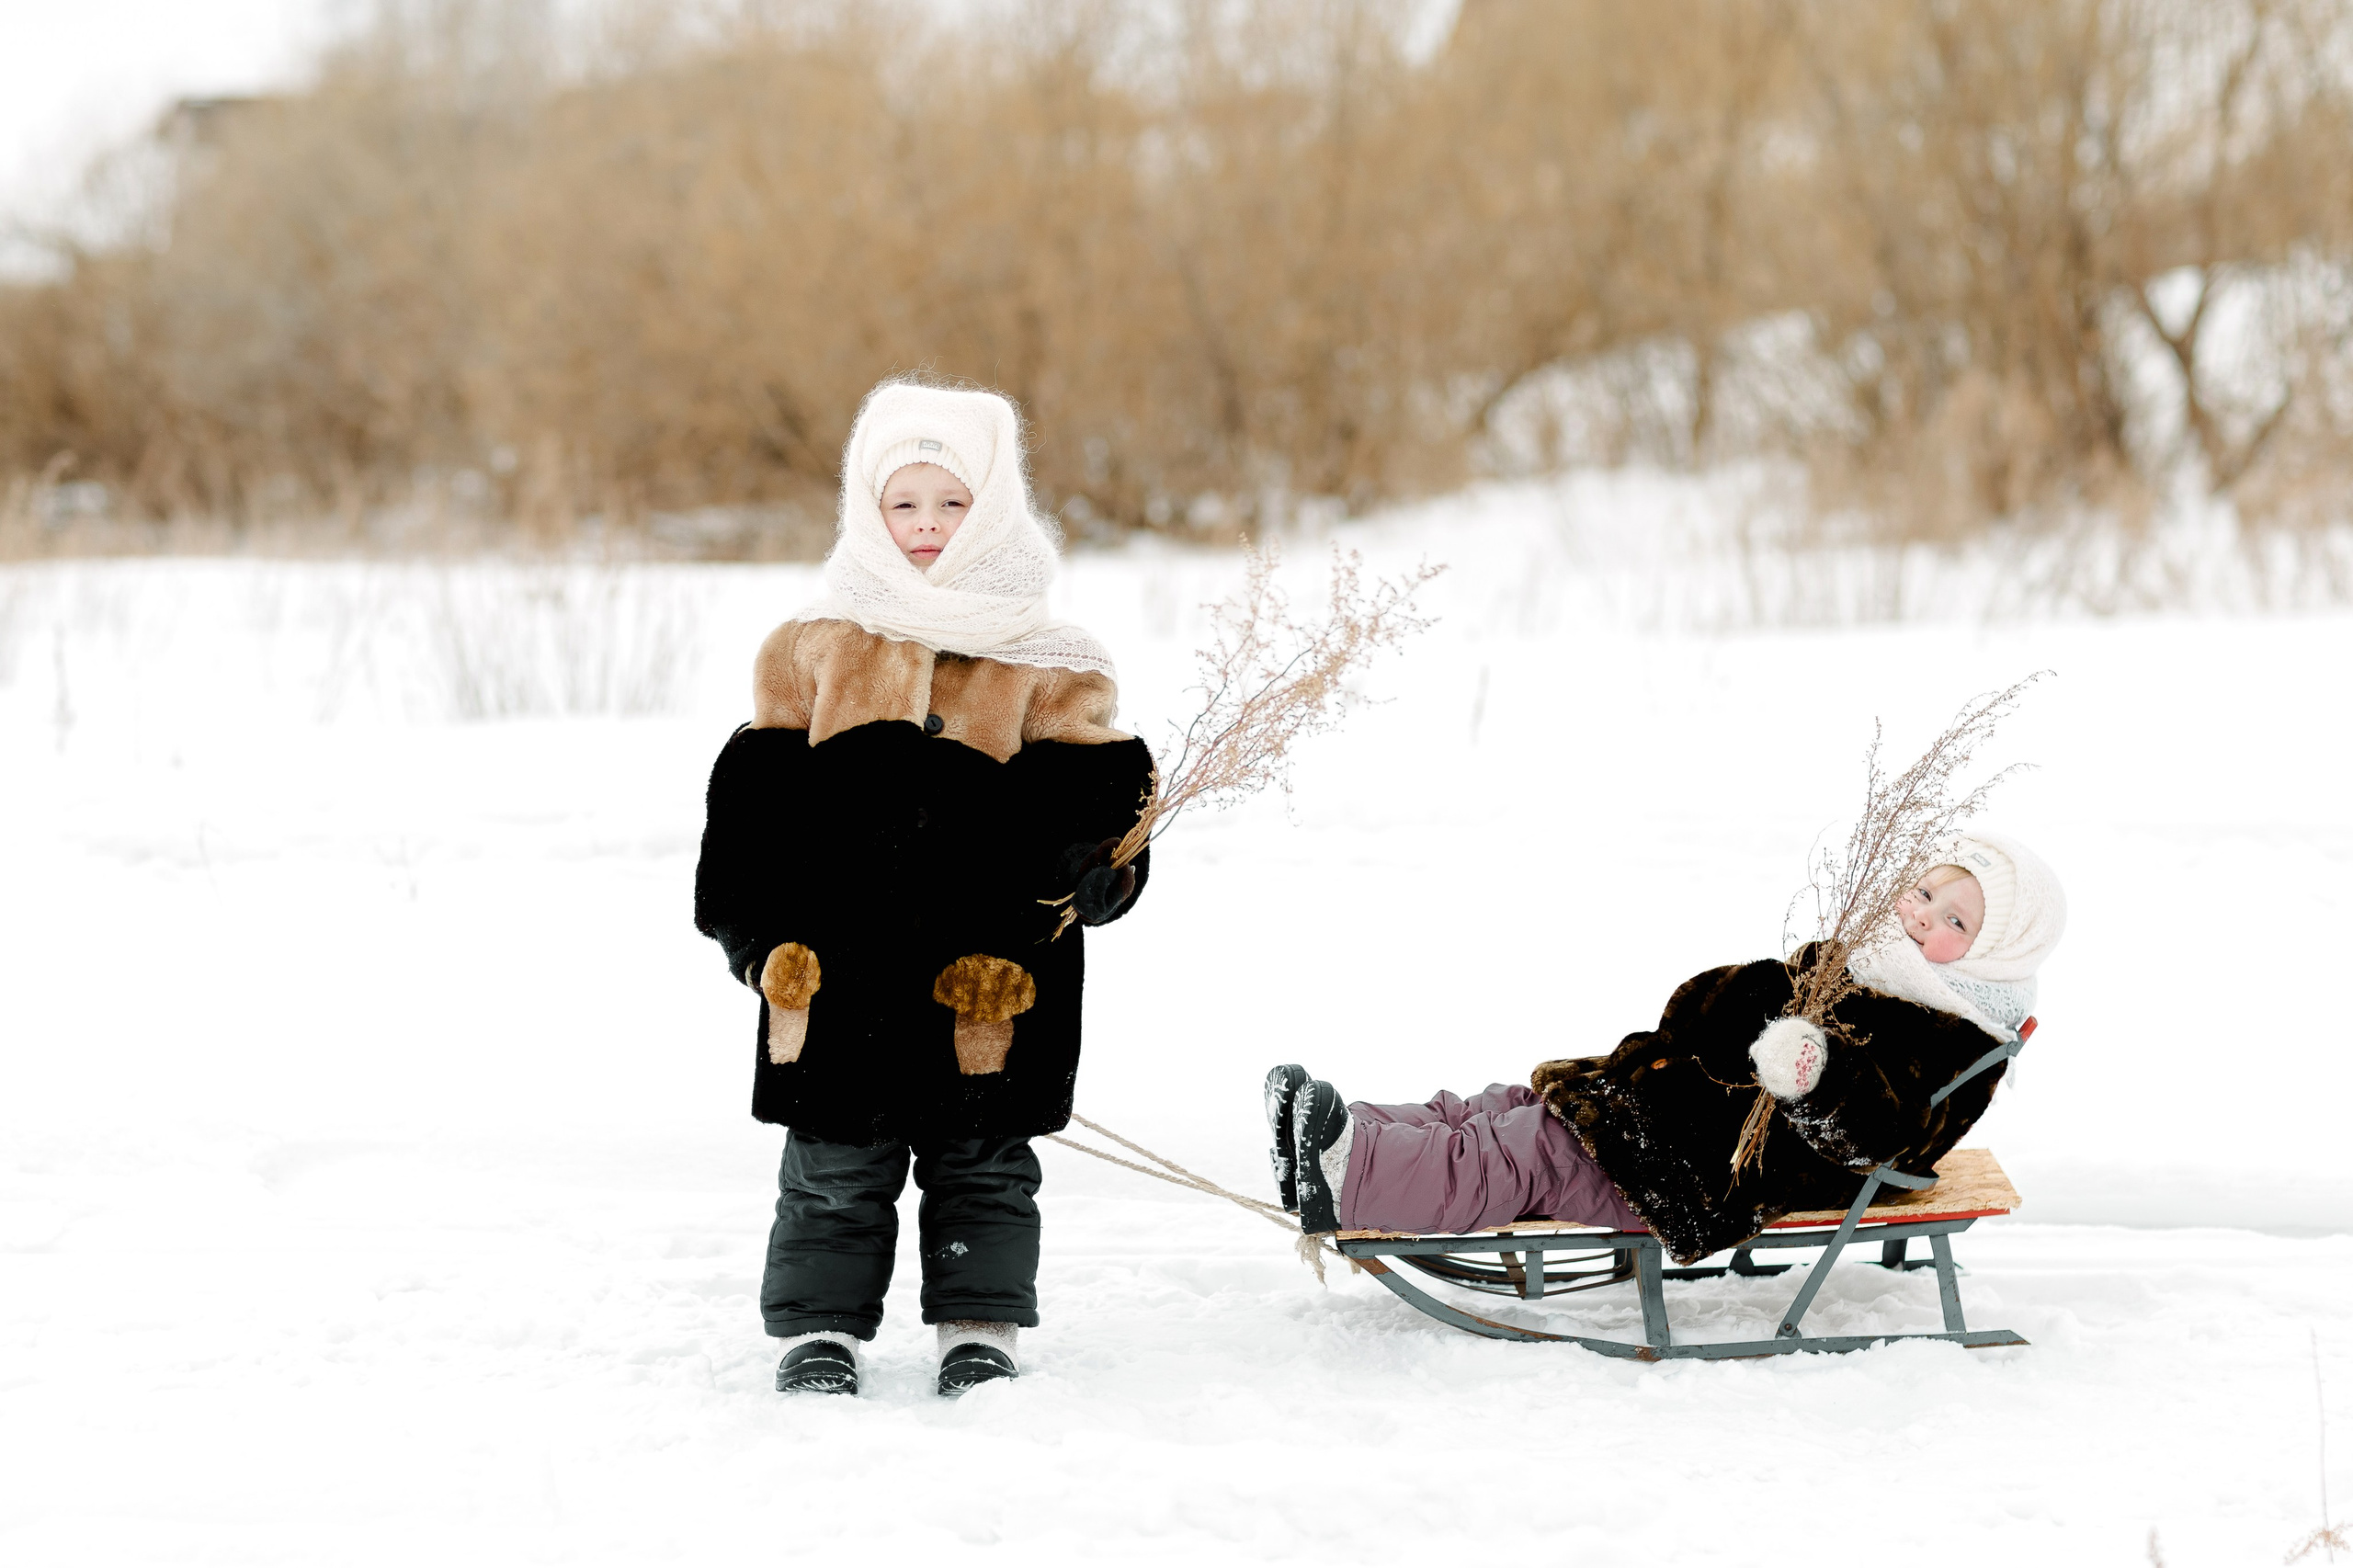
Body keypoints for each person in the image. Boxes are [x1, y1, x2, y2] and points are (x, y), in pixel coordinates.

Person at [695, 380, 1154, 1396]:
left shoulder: (1050, 661)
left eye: (951, 504)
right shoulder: (813, 644)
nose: (925, 528)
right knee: (831, 1164)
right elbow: (750, 821)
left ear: (991, 509)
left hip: (985, 972)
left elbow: (1100, 814)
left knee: (983, 1160)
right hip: (838, 969)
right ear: (869, 508)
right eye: (903, 504)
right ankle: (820, 1331)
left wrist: (1097, 867)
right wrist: (760, 940)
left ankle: (978, 1324)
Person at [1266, 832, 2065, 1264]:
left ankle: (1351, 1177)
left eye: (1957, 921)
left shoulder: (1951, 1033)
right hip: (1683, 1106)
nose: (1926, 917)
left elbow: (1879, 1136)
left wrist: (1817, 1074)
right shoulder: (1868, 962)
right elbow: (1713, 1010)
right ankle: (1344, 1133)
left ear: (1996, 951)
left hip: (1713, 1170)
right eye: (1925, 892)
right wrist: (1744, 993)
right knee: (1506, 1107)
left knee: (1531, 1153)